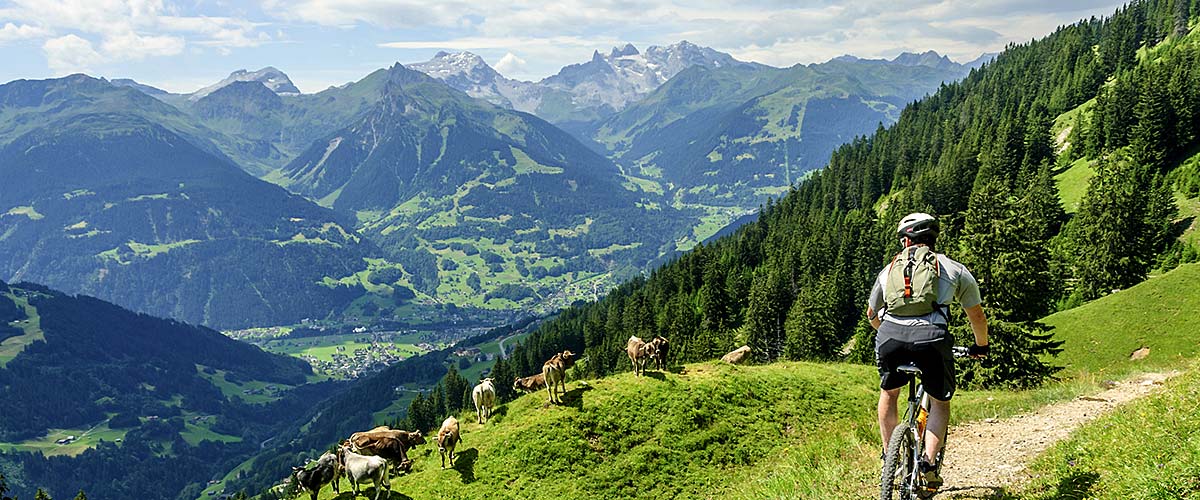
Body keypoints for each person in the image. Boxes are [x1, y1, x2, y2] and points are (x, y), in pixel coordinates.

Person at [866, 212, 989, 489]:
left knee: (889, 393)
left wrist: (889, 336)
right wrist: (981, 346)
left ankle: (890, 457)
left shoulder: (889, 270)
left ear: (906, 241)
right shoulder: (954, 269)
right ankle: (929, 468)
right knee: (940, 402)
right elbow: (977, 317)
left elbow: (872, 314)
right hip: (932, 340)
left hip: (890, 337)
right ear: (933, 239)